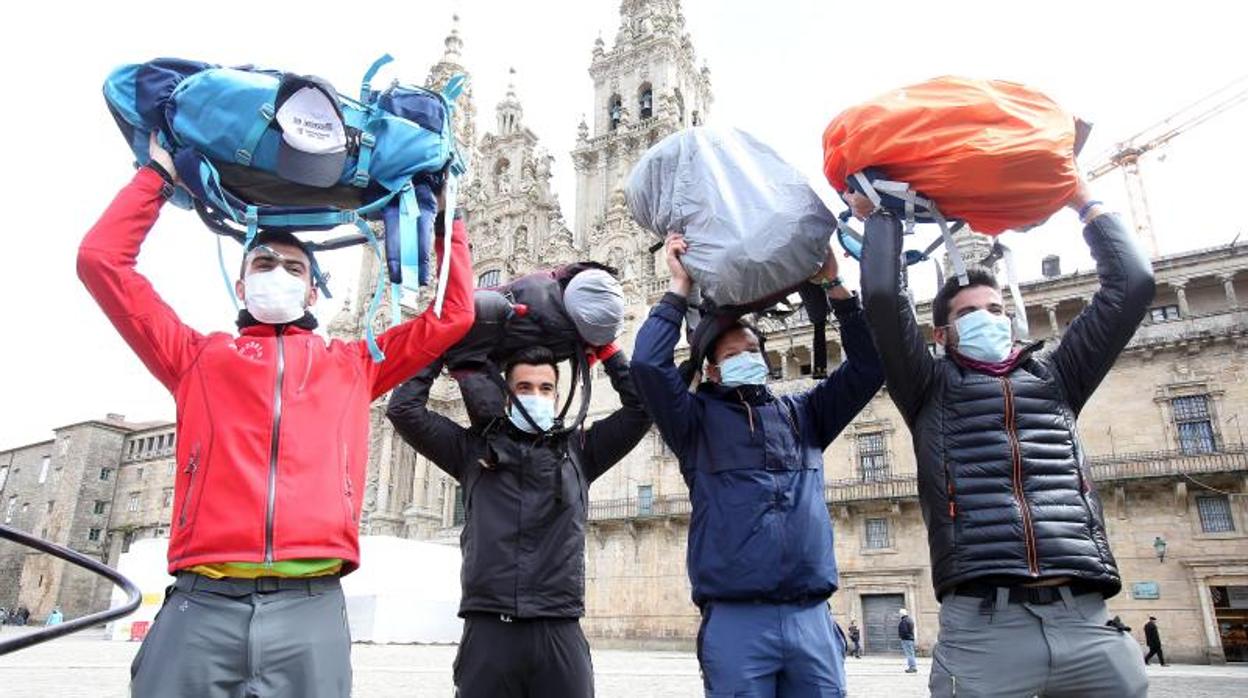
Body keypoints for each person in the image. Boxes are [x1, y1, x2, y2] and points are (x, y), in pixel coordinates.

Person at [77, 134, 475, 698]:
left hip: (311, 605)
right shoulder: (196, 358)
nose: (278, 273)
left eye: (293, 267)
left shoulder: (353, 364)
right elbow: (100, 261)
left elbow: (453, 315)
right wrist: (157, 178)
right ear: (242, 285)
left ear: (312, 293)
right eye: (264, 263)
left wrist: (445, 218)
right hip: (201, 602)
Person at [858, 179, 1154, 698]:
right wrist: (881, 216)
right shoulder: (927, 387)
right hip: (983, 627)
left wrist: (1081, 198)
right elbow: (884, 298)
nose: (986, 319)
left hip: (1086, 620)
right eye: (968, 313)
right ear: (940, 335)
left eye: (995, 310)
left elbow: (1132, 284)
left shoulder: (1058, 377)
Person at [631, 233, 884, 696]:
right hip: (737, 621)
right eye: (733, 355)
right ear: (711, 371)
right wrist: (678, 289)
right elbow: (648, 366)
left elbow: (871, 365)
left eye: (753, 351)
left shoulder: (805, 414)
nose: (747, 359)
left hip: (811, 617)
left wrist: (834, 286)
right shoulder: (694, 424)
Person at [385, 342, 651, 698]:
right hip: (489, 630)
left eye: (545, 388)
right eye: (524, 388)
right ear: (507, 398)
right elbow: (403, 409)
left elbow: (643, 408)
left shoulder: (581, 451)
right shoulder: (472, 450)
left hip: (559, 628)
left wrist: (608, 351)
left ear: (557, 398)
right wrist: (439, 347)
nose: (535, 396)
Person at [898, 609, 917, 673]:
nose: (899, 615)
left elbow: (904, 631)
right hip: (910, 639)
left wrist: (901, 636)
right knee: (911, 653)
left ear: (901, 614)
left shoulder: (904, 621)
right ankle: (913, 667)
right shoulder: (910, 619)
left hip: (906, 639)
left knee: (909, 654)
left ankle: (912, 667)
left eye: (899, 614)